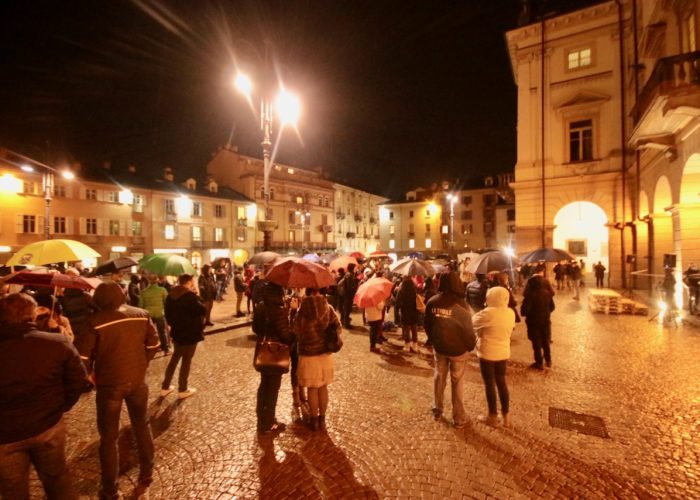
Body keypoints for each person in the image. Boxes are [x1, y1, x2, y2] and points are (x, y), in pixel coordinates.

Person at [76, 281, 160, 499]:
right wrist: (143, 363)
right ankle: (147, 471)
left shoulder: (94, 322)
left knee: (109, 437)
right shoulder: (141, 314)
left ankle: (110, 489)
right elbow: (154, 344)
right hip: (137, 381)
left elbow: (82, 358)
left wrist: (90, 375)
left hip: (109, 384)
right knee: (142, 425)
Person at [0, 293, 88, 499]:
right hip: (48, 426)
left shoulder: (56, 340)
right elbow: (78, 380)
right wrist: (61, 407)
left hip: (5, 434)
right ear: (32, 315)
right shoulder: (56, 343)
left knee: (13, 489)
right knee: (57, 479)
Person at [423, 272, 476, 429]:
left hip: (440, 348)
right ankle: (459, 417)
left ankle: (437, 409)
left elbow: (427, 324)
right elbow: (468, 331)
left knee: (439, 378)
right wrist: (469, 346)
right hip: (458, 350)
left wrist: (433, 340)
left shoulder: (432, 302)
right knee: (457, 382)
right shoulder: (462, 305)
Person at [293, 287, 342, 431]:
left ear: (307, 293)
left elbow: (295, 330)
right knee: (323, 387)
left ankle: (314, 420)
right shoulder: (328, 308)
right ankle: (322, 419)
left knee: (312, 388)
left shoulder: (302, 311)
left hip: (308, 355)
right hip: (325, 354)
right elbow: (338, 328)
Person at [472, 286, 516, 427]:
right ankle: (506, 417)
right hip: (503, 353)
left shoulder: (487, 313)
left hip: (487, 353)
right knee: (502, 383)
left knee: (490, 384)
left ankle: (492, 415)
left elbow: (472, 322)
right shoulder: (510, 312)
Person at [254, 281, 293, 434]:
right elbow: (285, 335)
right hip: (275, 353)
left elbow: (255, 328)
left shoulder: (261, 306)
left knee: (264, 386)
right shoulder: (278, 310)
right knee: (273, 388)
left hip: (263, 351)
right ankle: (269, 422)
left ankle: (261, 419)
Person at [161, 273, 207, 399]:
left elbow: (168, 316)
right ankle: (183, 389)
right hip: (191, 333)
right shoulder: (190, 296)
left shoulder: (170, 296)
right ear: (189, 282)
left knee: (175, 358)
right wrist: (197, 294)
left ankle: (165, 387)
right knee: (186, 361)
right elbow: (203, 310)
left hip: (177, 332)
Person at [521, 273, 555, 370]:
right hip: (546, 321)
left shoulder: (529, 295)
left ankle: (539, 362)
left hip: (533, 323)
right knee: (546, 341)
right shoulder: (548, 294)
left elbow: (524, 311)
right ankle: (548, 360)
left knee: (536, 343)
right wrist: (546, 312)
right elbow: (552, 307)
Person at [140, 273, 170, 355]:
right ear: (157, 281)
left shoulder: (143, 292)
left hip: (148, 315)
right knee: (162, 331)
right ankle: (166, 349)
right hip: (160, 313)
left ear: (149, 281)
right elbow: (167, 303)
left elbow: (140, 306)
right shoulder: (162, 290)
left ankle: (149, 348)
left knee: (149, 332)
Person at [396, 276, 420, 352]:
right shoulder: (414, 288)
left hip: (405, 311)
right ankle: (415, 345)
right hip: (414, 310)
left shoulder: (401, 289)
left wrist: (397, 309)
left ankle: (407, 346)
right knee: (414, 328)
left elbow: (398, 302)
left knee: (406, 328)